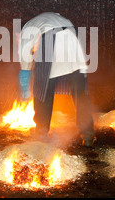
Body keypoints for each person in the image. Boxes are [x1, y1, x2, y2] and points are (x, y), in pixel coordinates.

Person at [18, 12, 95, 146]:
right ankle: (88, 136)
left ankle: (41, 134)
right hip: (74, 36)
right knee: (80, 91)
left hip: (51, 37)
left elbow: (24, 60)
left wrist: (25, 91)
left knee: (42, 88)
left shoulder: (27, 29)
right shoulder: (49, 18)